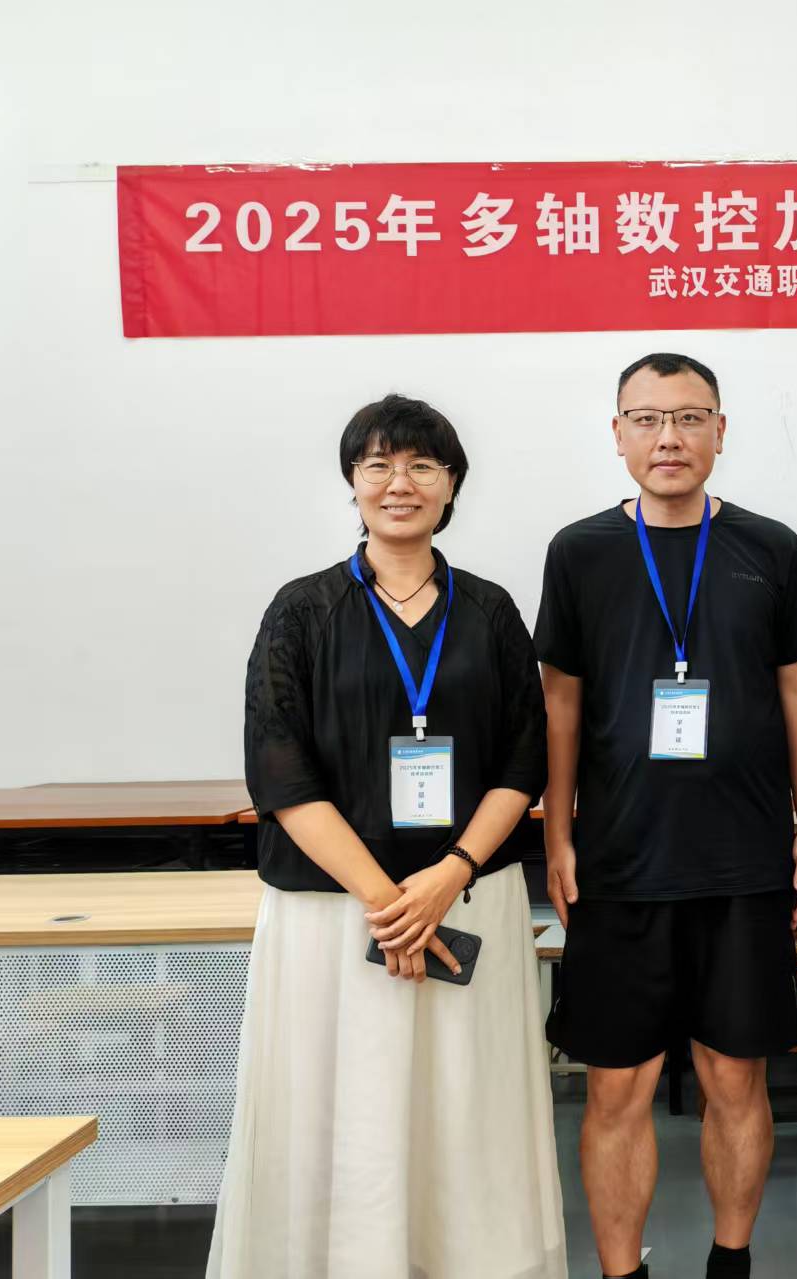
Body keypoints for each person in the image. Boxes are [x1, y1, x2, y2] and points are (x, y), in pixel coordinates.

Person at [208, 393, 566, 1279]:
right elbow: (279, 769)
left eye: (421, 466)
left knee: (467, 1110)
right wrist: (387, 901)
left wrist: (447, 876)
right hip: (335, 915)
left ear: (451, 486)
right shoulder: (301, 610)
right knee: (339, 1112)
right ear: (353, 482)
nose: (399, 483)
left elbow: (524, 758)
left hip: (466, 899)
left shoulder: (490, 611)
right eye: (378, 465)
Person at [535, 353, 797, 1279]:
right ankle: (623, 1272)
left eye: (690, 417)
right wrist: (558, 833)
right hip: (621, 863)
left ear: (721, 431)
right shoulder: (580, 551)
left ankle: (730, 1264)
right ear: (618, 434)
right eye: (648, 418)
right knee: (617, 1087)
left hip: (742, 860)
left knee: (736, 1077)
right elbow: (561, 704)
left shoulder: (769, 546)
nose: (670, 437)